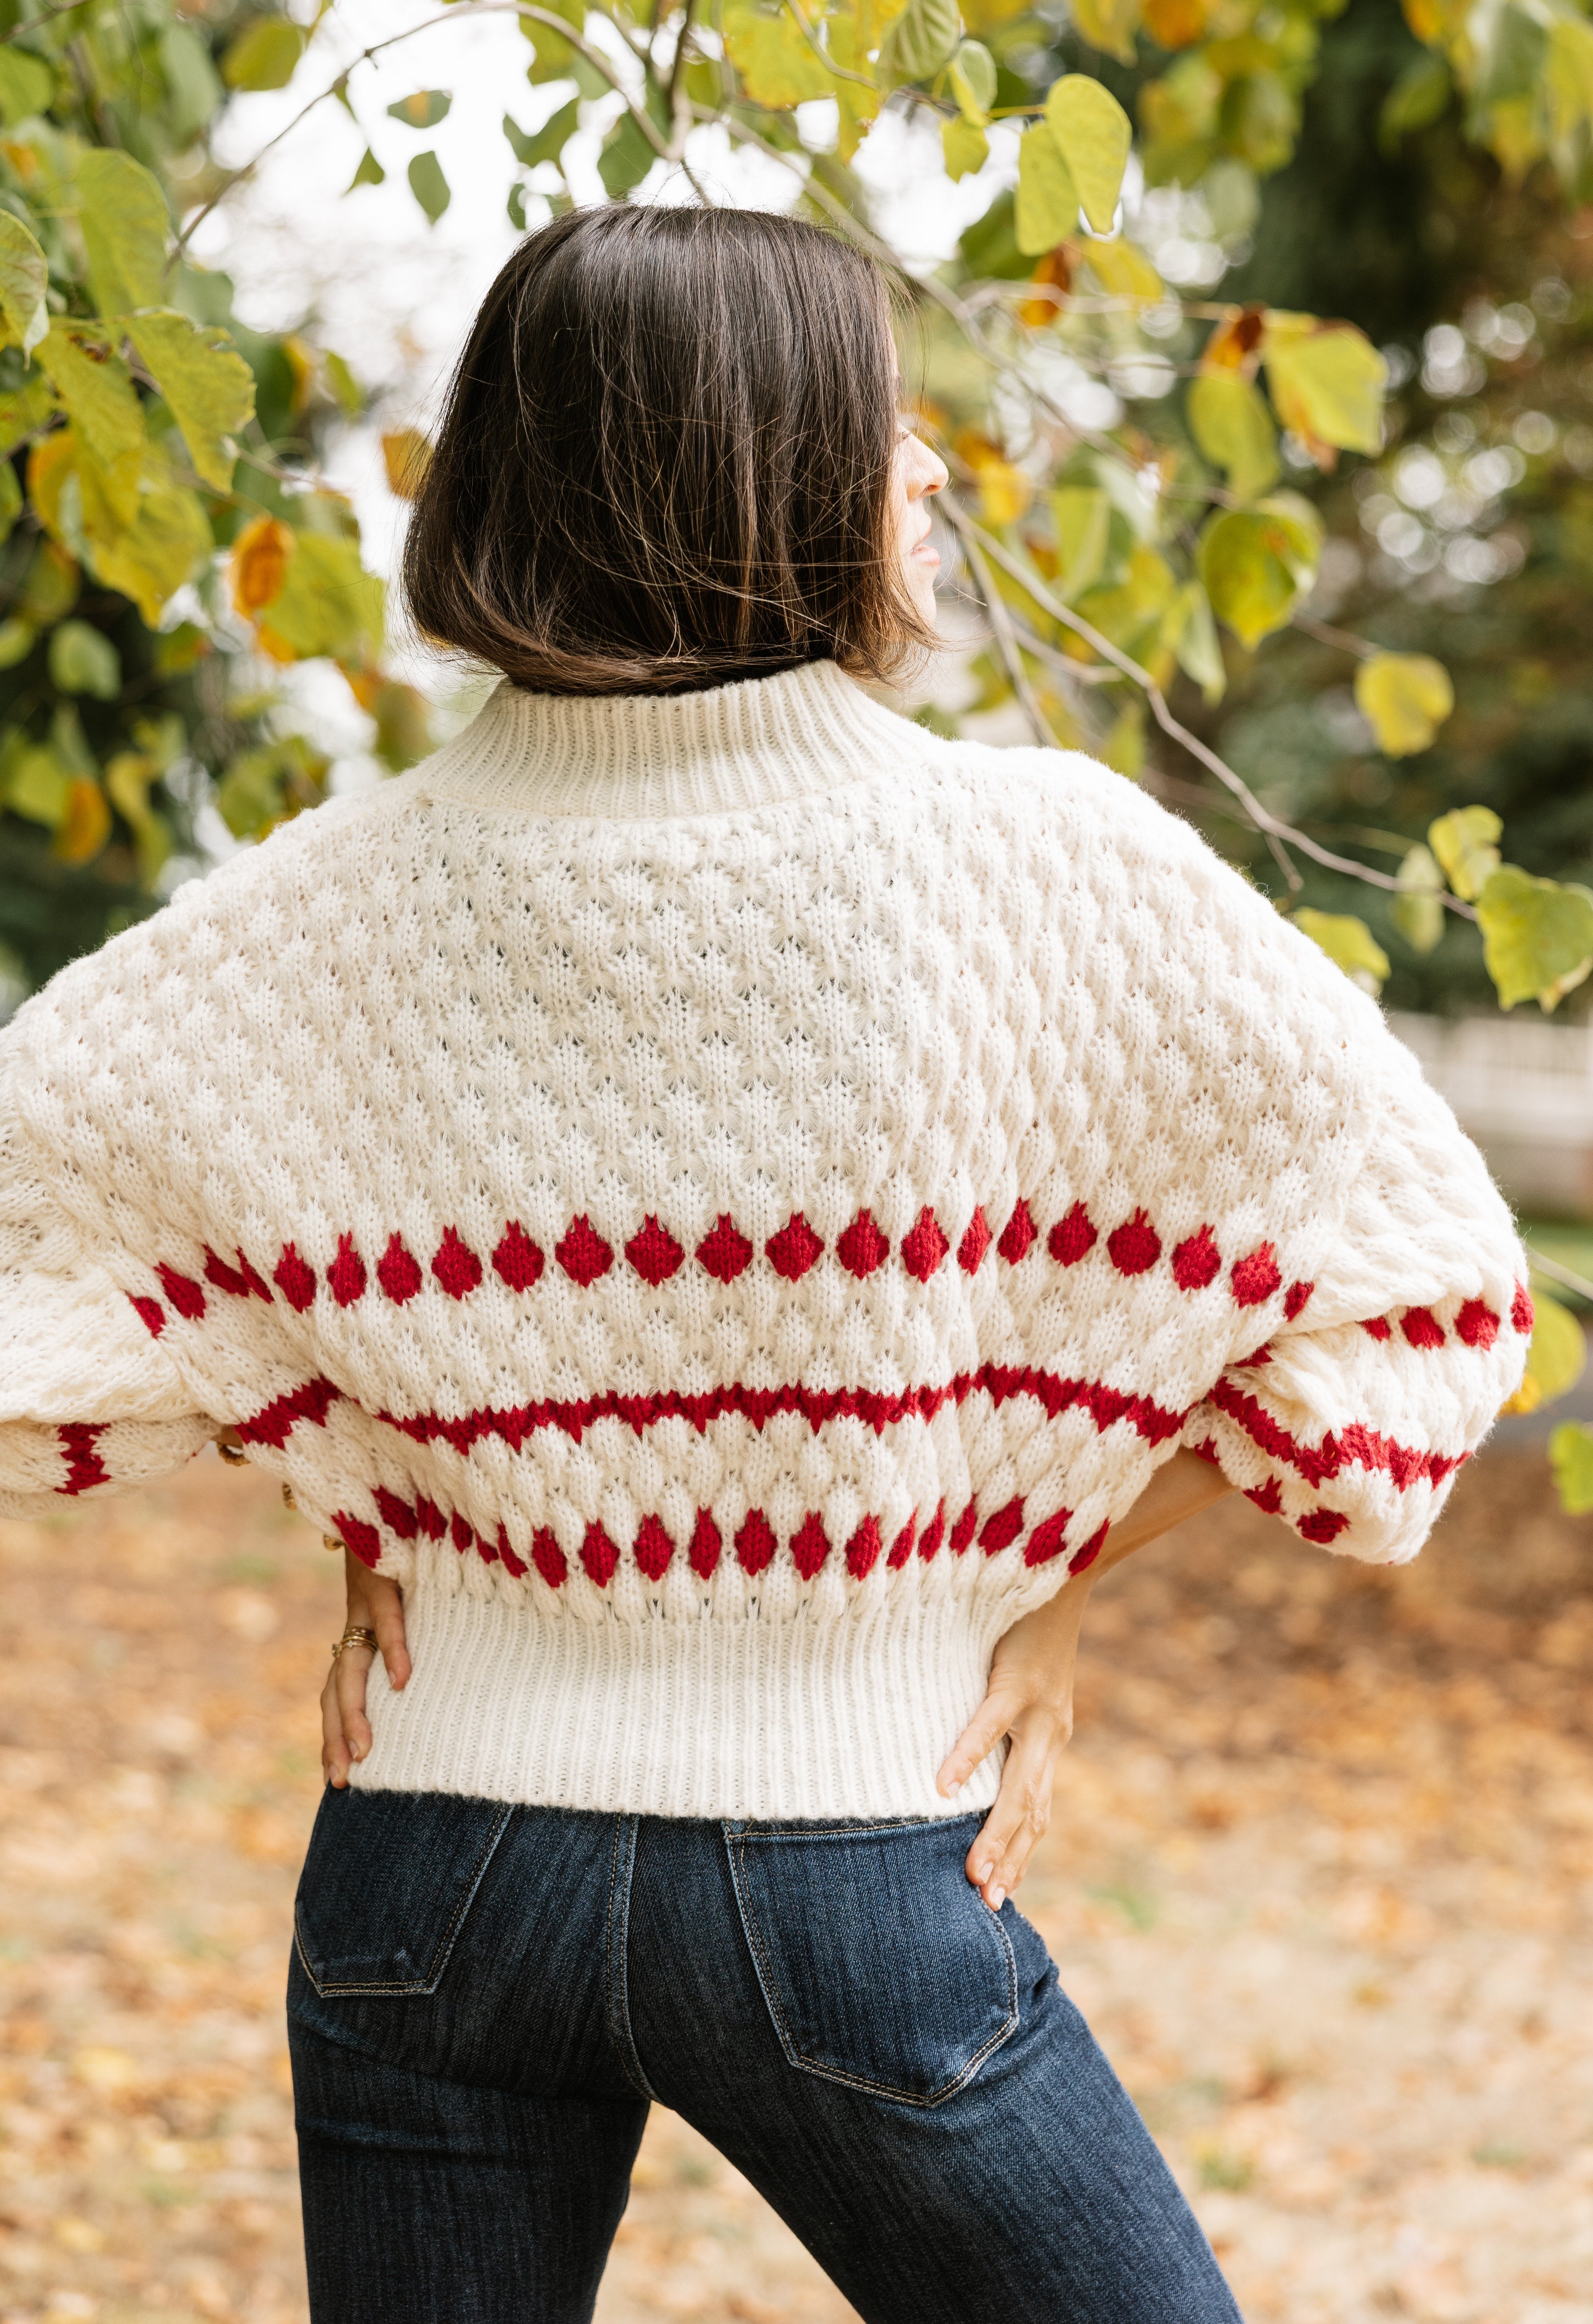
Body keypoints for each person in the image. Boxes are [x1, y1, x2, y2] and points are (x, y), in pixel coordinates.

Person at [0, 205, 1528, 2323]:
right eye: (886, 418)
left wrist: (379, 1483)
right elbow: (1428, 1286)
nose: (926, 467)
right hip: (843, 1858)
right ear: (765, 469)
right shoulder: (1040, 866)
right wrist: (1051, 1572)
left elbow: (67, 1257)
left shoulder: (311, 909)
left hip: (426, 1863)